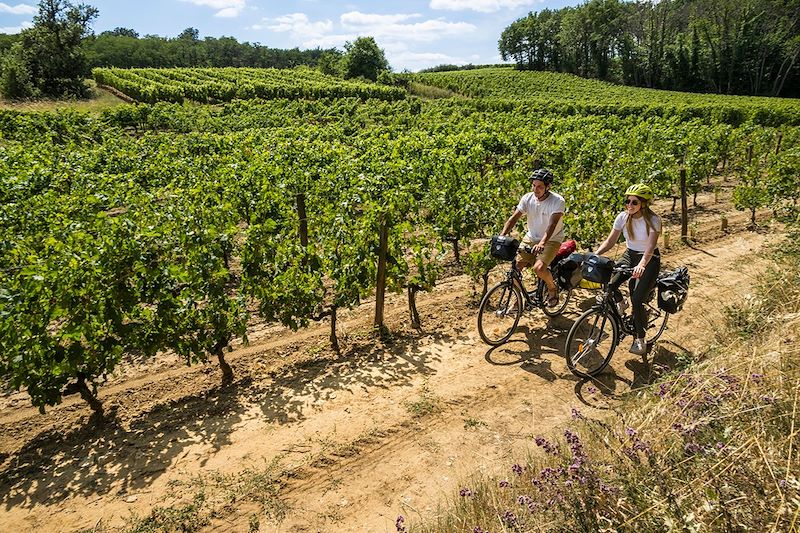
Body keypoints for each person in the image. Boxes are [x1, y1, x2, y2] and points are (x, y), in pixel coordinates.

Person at [594, 183, 661, 355]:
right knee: (609, 283)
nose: (629, 205)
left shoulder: (653, 220)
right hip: (630, 254)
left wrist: (641, 265)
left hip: (649, 258)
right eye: (627, 201)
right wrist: (595, 255)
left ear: (644, 204)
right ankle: (622, 304)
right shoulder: (623, 217)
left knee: (637, 298)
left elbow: (651, 247)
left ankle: (640, 338)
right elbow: (610, 241)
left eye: (634, 202)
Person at [500, 168, 565, 307]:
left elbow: (552, 225)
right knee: (515, 270)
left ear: (548, 187)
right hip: (531, 237)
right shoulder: (527, 198)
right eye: (534, 185)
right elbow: (513, 219)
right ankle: (519, 298)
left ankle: (552, 288)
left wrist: (542, 243)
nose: (536, 189)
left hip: (551, 239)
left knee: (539, 268)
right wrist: (501, 236)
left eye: (540, 186)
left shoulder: (557, 201)